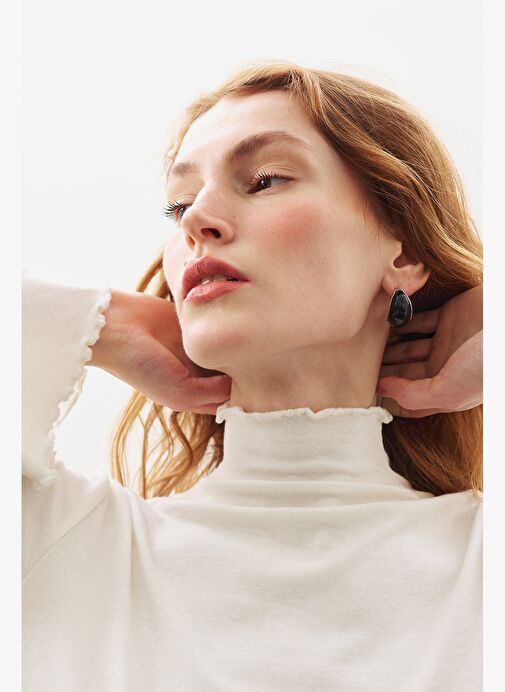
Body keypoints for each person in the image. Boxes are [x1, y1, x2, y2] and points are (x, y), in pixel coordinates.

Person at [22, 62, 483, 691]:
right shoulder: (60, 547)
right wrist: (104, 324)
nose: (196, 220)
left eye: (265, 180)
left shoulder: (481, 563)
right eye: (179, 204)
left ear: (401, 253)